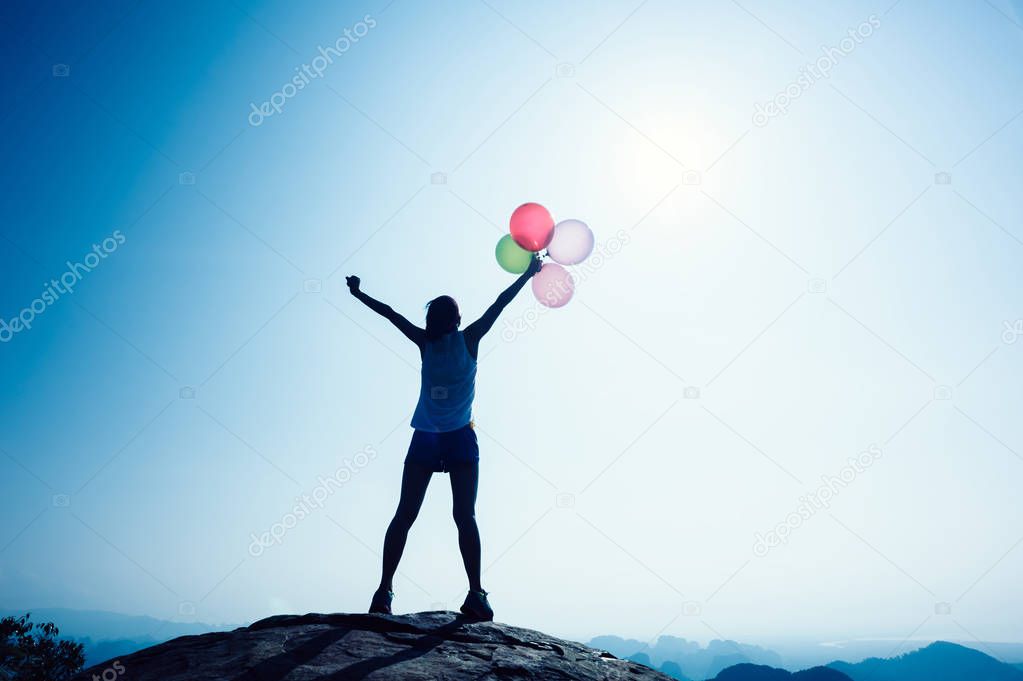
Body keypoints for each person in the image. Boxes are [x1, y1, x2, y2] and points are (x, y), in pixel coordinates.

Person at [346, 255, 542, 621]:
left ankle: (383, 591)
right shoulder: (470, 339)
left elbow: (390, 314)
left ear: (432, 320)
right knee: (464, 516)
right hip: (459, 440)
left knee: (404, 514)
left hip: (426, 439)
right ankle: (476, 594)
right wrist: (529, 274)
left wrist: (359, 294)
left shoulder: (424, 341)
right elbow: (500, 302)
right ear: (457, 320)